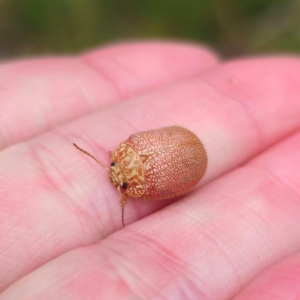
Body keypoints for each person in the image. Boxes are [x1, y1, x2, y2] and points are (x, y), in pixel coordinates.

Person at [0, 41, 299, 299]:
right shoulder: (133, 156)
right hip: (185, 151)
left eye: (117, 171)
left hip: (188, 156)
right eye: (115, 168)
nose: (114, 174)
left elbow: (165, 186)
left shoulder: (144, 180)